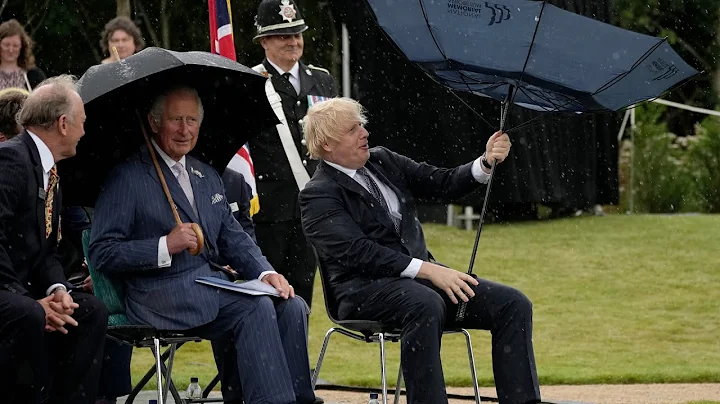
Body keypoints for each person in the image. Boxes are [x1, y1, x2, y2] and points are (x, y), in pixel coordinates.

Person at [299, 98, 541, 404]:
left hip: (422, 284)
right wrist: (427, 270)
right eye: (352, 129)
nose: (364, 133)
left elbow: (441, 183)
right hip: (361, 293)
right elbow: (358, 252)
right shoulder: (318, 194)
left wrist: (485, 162)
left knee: (512, 304)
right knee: (424, 302)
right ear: (327, 145)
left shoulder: (383, 160)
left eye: (361, 124)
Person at [89, 85, 318, 404]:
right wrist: (164, 245)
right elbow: (102, 252)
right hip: (159, 295)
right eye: (176, 120)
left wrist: (266, 274)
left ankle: (298, 399)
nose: (185, 130)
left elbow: (232, 237)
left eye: (192, 120)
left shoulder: (207, 174)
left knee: (290, 304)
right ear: (154, 123)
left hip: (210, 286)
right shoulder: (126, 177)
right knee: (255, 306)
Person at [0, 75, 108, 404]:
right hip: (6, 289)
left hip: (23, 289)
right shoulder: (11, 161)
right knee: (28, 315)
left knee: (88, 311)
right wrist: (31, 301)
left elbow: (48, 252)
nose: (84, 132)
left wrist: (57, 291)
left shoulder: (51, 172)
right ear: (63, 123)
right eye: (82, 123)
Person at [246, 0, 338, 308]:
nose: (293, 41)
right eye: (283, 35)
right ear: (264, 41)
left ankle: (296, 355)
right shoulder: (250, 82)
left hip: (311, 206)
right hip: (268, 208)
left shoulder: (322, 79)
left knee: (303, 289)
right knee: (268, 291)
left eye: (297, 33)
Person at [0, 19, 46, 92]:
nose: (10, 50)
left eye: (15, 46)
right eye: (6, 45)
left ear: (22, 47)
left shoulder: (34, 75)